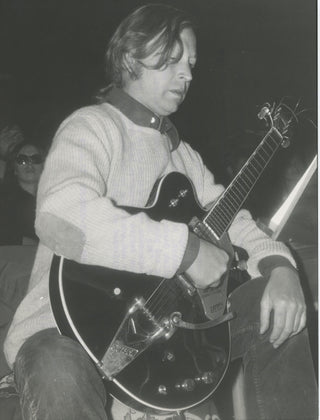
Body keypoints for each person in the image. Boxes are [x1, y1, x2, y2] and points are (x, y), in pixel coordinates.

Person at [3, 4, 317, 420]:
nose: (187, 74)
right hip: (65, 333)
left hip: (162, 338)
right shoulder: (92, 127)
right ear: (131, 57)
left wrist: (282, 271)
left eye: (191, 64)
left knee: (276, 308)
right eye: (173, 60)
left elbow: (234, 218)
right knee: (55, 366)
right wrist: (186, 251)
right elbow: (62, 217)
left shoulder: (181, 155)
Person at [0, 142, 45, 245]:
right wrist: (24, 241)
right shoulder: (3, 199)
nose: (29, 163)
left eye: (35, 159)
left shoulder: (57, 198)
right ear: (14, 169)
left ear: (43, 166)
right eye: (22, 160)